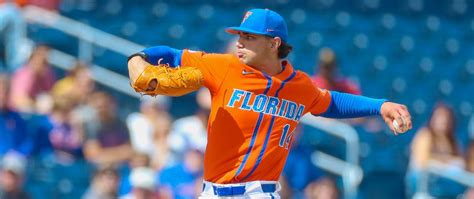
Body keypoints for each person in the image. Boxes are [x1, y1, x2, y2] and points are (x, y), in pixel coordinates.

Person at [127, 8, 412, 198]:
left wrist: (380, 105)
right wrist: (137, 58)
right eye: (239, 35)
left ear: (274, 44)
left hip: (259, 193)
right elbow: (169, 54)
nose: (239, 42)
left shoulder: (298, 85)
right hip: (211, 192)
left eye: (249, 37)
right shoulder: (222, 66)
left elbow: (331, 102)